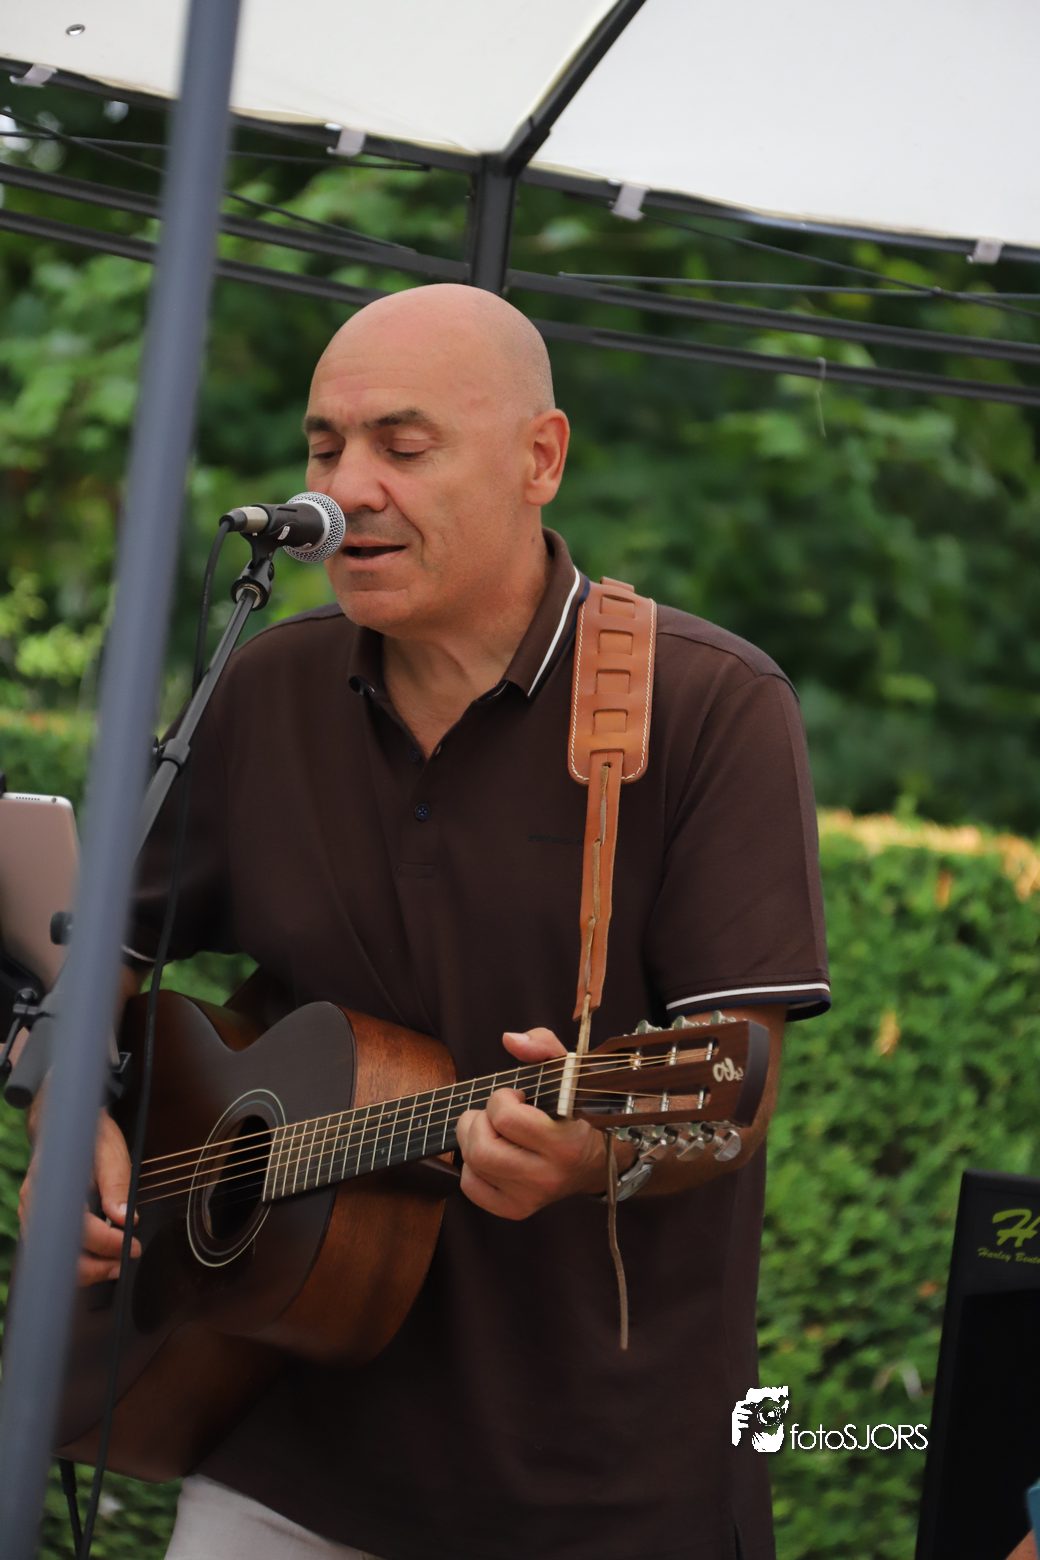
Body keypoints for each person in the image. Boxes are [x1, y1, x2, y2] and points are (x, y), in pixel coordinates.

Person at [22, 284, 830, 1559]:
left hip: (597, 1485)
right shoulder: (266, 687)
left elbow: (731, 1083)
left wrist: (592, 1153)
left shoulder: (705, 704)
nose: (346, 490)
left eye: (402, 447)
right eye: (323, 448)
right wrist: (67, 1122)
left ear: (538, 459)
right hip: (276, 1428)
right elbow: (99, 949)